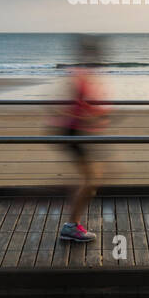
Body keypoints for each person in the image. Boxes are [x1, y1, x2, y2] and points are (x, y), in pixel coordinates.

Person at [54, 35, 109, 242]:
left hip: (77, 134)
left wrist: (95, 116)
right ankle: (71, 226)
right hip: (73, 134)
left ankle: (72, 223)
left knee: (92, 179)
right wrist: (94, 117)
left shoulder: (82, 76)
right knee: (91, 181)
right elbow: (72, 109)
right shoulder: (80, 77)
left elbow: (80, 106)